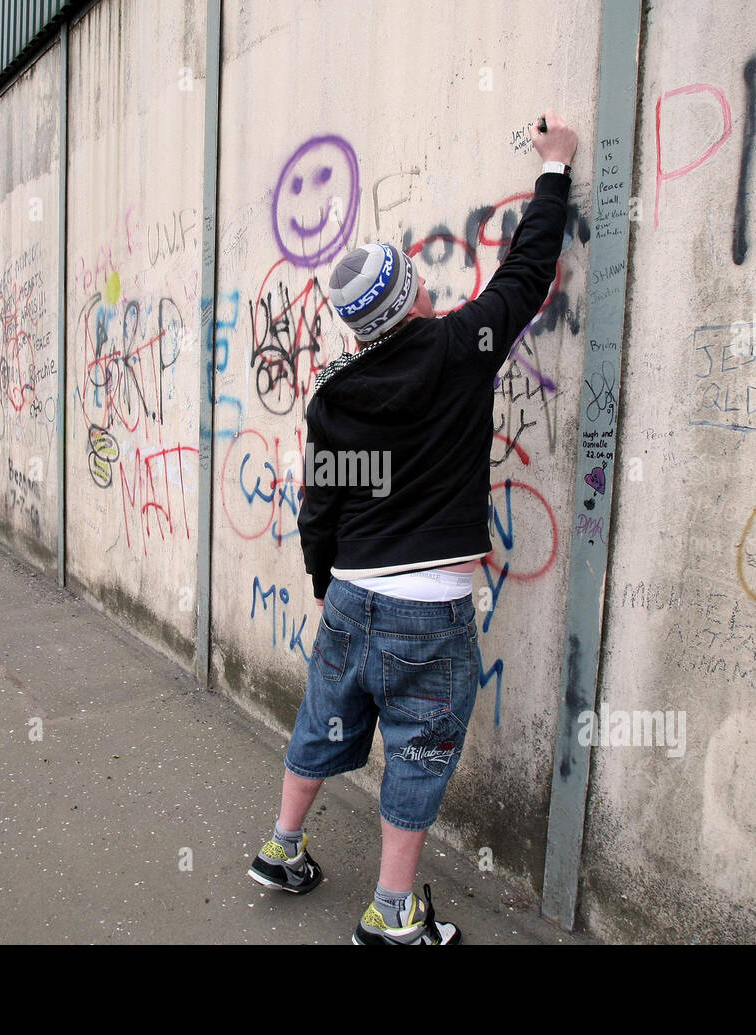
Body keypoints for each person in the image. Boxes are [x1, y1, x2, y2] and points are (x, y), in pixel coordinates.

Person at [248, 108, 577, 945]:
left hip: (354, 596)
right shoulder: (460, 350)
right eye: (418, 282)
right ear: (411, 296)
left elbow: (321, 507)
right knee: (419, 749)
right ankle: (391, 914)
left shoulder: (334, 399)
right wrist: (555, 168)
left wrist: (328, 585)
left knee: (323, 717)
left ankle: (283, 849)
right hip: (428, 610)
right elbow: (528, 271)